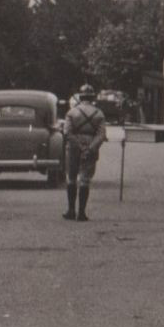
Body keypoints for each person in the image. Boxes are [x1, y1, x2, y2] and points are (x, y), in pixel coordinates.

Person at [62, 83, 107, 222]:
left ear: (80, 97)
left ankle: (71, 210)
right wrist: (90, 148)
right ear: (92, 97)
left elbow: (67, 132)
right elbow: (101, 135)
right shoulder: (99, 113)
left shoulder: (72, 112)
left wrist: (79, 146)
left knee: (71, 177)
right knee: (85, 180)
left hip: (74, 147)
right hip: (91, 145)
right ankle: (81, 213)